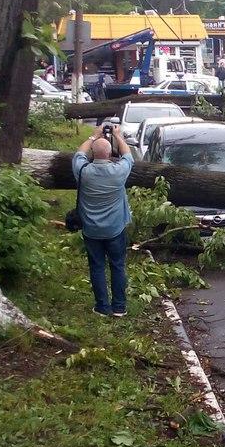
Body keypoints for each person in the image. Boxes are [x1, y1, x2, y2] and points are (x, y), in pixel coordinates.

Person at [72, 125, 134, 316]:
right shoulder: (119, 172)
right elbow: (128, 155)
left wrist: (94, 136)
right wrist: (117, 135)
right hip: (115, 228)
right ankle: (119, 307)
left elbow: (78, 154)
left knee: (97, 266)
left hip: (91, 229)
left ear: (93, 153)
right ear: (109, 154)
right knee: (117, 265)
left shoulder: (83, 171)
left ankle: (102, 306)